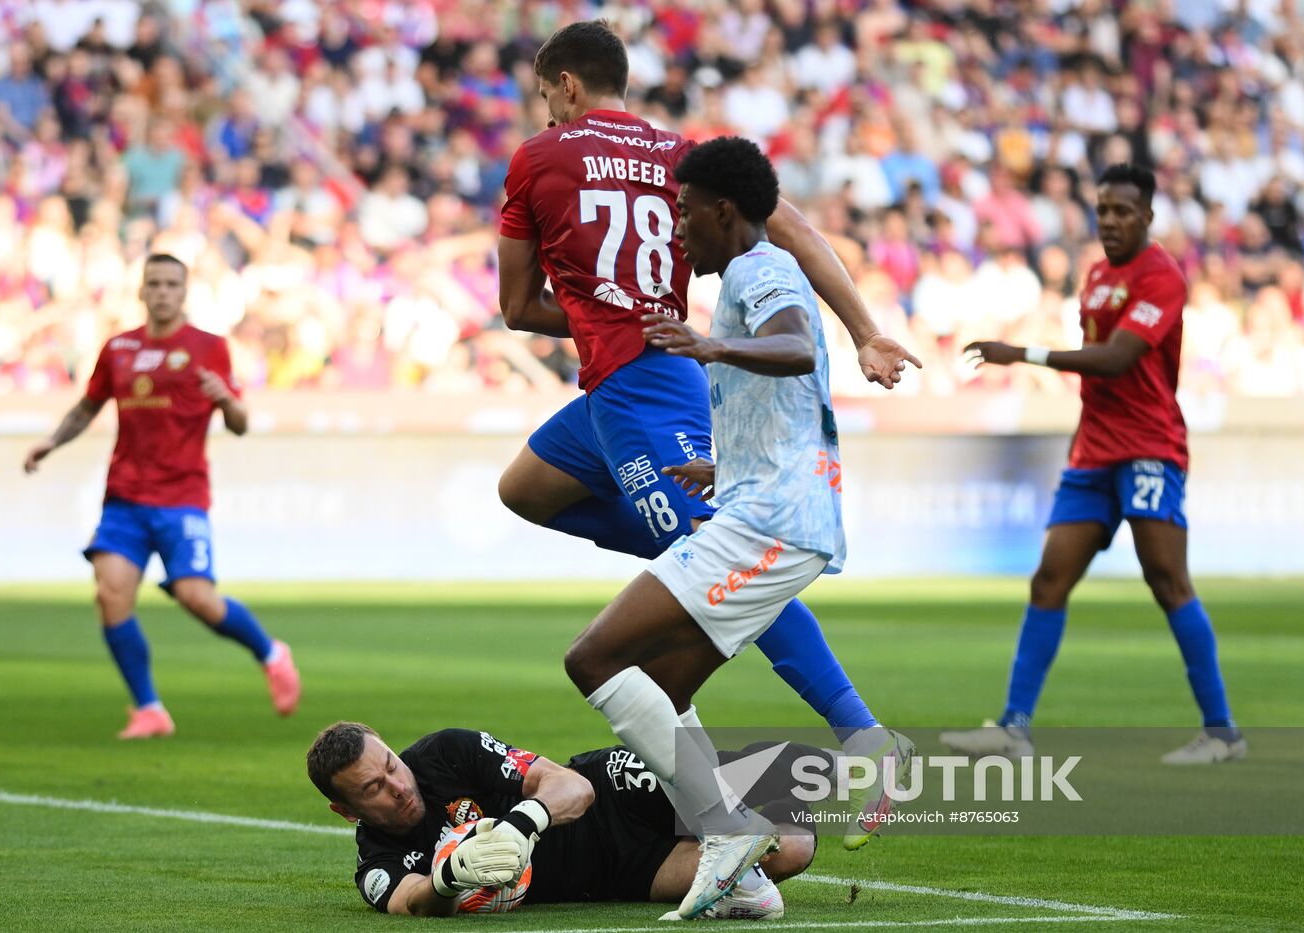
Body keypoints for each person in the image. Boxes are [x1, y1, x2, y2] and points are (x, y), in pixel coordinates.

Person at [495, 20, 918, 847]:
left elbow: (516, 307)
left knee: (712, 555)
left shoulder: (538, 157)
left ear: (568, 85)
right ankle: (689, 551)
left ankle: (862, 734)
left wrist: (600, 317)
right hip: (628, 382)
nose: (547, 113)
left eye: (548, 96)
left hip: (642, 385)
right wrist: (866, 330)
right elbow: (800, 231)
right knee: (525, 489)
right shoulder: (679, 156)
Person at [546, 135, 911, 920]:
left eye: (683, 214)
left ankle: (728, 831)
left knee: (594, 656)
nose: (677, 230)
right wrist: (726, 467)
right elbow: (788, 400)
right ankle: (742, 876)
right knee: (659, 691)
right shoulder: (751, 273)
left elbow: (793, 345)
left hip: (769, 528)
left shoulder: (758, 268)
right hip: (769, 511)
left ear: (723, 211)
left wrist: (711, 345)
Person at [947, 164, 1244, 765]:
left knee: (1167, 581)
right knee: (1049, 580)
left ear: (1148, 216)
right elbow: (1097, 377)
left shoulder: (1162, 276)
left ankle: (1222, 733)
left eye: (1123, 211)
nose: (1109, 220)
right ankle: (1014, 728)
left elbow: (1115, 360)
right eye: (1103, 209)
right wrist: (1081, 441)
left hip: (1149, 447)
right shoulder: (1098, 274)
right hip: (1094, 451)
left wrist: (1021, 353)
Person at [23, 254, 301, 739]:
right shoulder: (119, 348)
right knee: (110, 595)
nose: (163, 292)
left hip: (182, 496)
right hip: (124, 497)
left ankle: (271, 653)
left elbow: (240, 424)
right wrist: (52, 442)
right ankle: (149, 709)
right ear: (141, 291)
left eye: (172, 284)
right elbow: (88, 407)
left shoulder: (209, 347)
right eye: (154, 283)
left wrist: (225, 399)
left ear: (184, 291)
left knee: (197, 597)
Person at [305, 721, 819, 919]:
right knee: (794, 848)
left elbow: (573, 787)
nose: (398, 785)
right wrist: (448, 876)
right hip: (620, 875)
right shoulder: (377, 862)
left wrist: (519, 825)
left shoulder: (446, 753)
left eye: (391, 764)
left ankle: (857, 767)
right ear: (346, 811)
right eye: (373, 789)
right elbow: (412, 902)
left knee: (746, 776)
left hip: (614, 796)